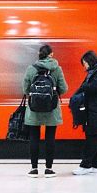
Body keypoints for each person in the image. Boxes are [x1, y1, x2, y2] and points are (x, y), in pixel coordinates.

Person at [22, 44, 68, 176]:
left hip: (34, 109)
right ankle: (49, 168)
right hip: (51, 109)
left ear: (39, 55)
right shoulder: (57, 69)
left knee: (34, 138)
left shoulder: (31, 69)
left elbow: (25, 89)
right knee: (50, 138)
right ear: (51, 54)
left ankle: (34, 169)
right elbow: (64, 89)